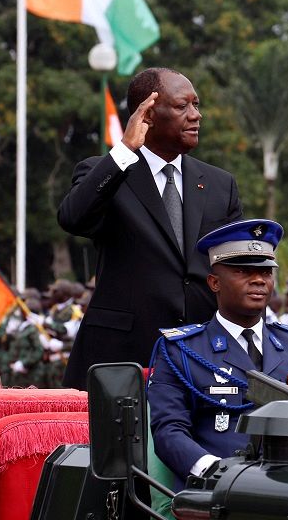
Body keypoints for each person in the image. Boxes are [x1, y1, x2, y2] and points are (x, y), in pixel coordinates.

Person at [58, 67, 244, 389]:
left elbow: (235, 264)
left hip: (201, 356)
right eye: (182, 106)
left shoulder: (219, 184)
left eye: (196, 105)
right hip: (123, 360)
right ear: (148, 113)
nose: (196, 116)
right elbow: (73, 218)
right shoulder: (106, 171)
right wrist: (124, 151)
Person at [148, 219, 288, 486]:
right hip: (216, 491)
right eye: (243, 271)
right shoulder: (181, 350)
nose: (258, 281)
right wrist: (213, 471)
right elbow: (169, 431)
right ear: (214, 282)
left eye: (266, 272)